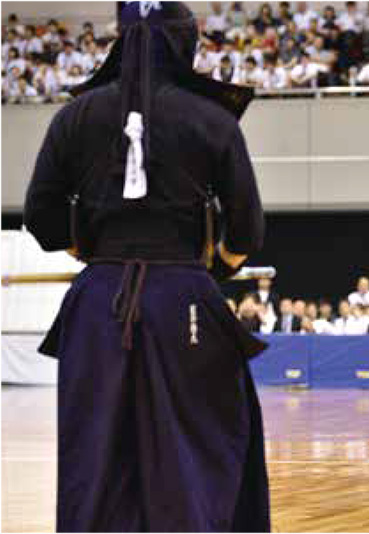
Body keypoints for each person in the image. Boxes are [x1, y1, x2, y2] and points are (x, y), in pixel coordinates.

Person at [23, 3, 270, 531]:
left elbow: (41, 218)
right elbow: (247, 230)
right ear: (181, 44)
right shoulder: (212, 119)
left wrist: (92, 249)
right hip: (185, 304)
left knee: (95, 452)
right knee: (199, 444)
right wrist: (214, 268)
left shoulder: (74, 116)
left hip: (95, 308)